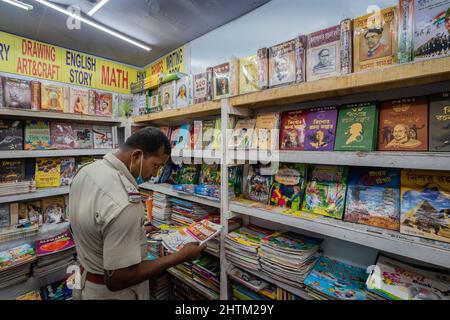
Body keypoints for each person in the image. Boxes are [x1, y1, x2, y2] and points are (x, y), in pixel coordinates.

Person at [69, 127, 206, 300]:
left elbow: (93, 223)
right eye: (155, 166)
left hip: (83, 281)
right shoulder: (125, 202)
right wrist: (180, 256)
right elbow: (118, 279)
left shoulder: (86, 171)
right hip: (110, 294)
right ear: (136, 156)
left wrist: (136, 231)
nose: (154, 174)